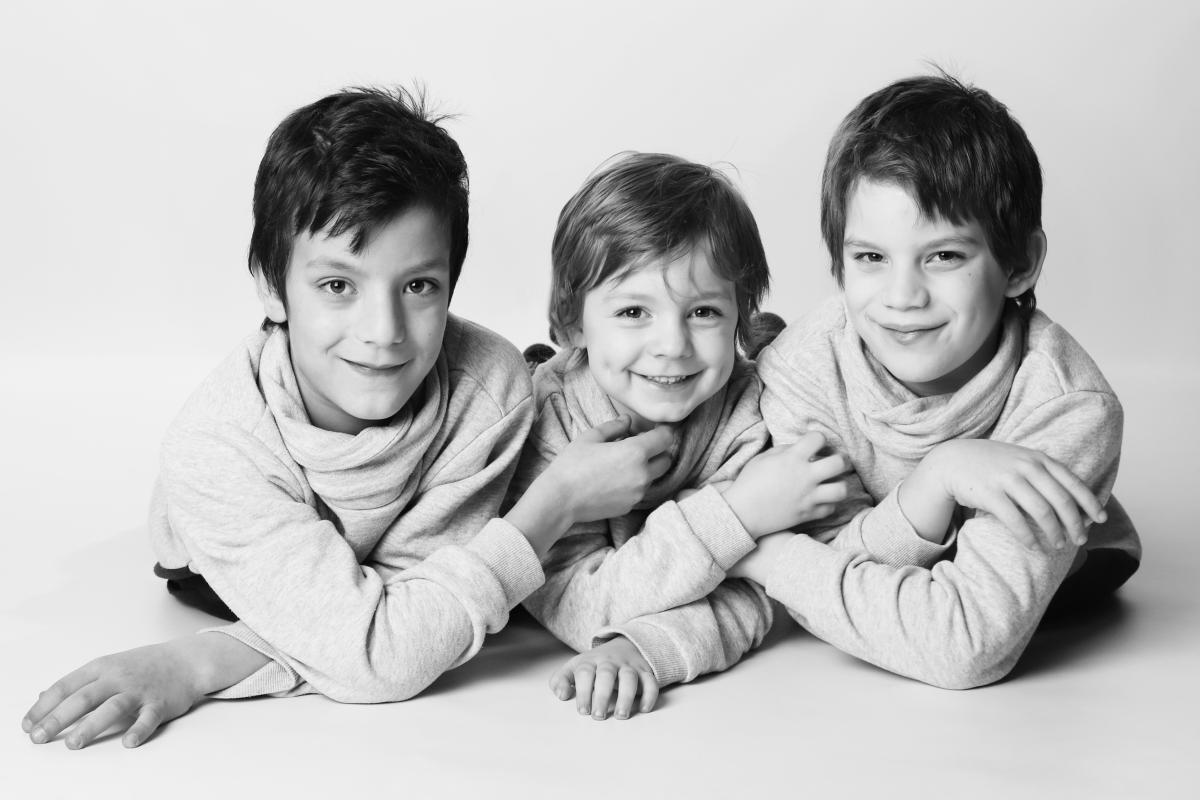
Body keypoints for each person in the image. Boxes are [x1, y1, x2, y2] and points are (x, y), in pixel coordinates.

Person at [22, 88, 672, 749]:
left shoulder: (489, 388)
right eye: (338, 286)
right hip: (221, 563)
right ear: (272, 289)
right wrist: (554, 504)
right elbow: (380, 654)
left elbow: (417, 605)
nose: (383, 331)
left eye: (418, 286)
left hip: (391, 545)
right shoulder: (214, 448)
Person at [737, 73, 1142, 689]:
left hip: (1073, 573)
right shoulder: (803, 368)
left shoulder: (1066, 406)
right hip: (904, 550)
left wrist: (767, 559)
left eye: (944, 256)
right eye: (871, 257)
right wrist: (939, 477)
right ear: (838, 264)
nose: (903, 297)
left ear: (1020, 264)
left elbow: (964, 646)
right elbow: (833, 564)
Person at [516, 152, 854, 720]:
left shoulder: (753, 415)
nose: (672, 345)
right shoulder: (552, 422)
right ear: (572, 321)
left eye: (703, 313)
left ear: (740, 315)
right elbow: (579, 601)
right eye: (633, 312)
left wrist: (649, 647)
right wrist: (738, 512)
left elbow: (755, 590)